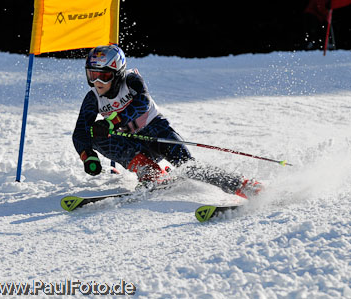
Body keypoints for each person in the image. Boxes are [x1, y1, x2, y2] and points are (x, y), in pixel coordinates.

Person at [72, 45, 262, 199]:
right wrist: (88, 155)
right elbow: (80, 131)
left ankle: (244, 186)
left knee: (189, 167)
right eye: (92, 75)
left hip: (157, 132)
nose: (98, 82)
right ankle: (150, 173)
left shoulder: (131, 80)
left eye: (103, 76)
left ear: (118, 72)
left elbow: (142, 103)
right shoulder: (93, 98)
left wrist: (112, 122)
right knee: (94, 135)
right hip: (132, 143)